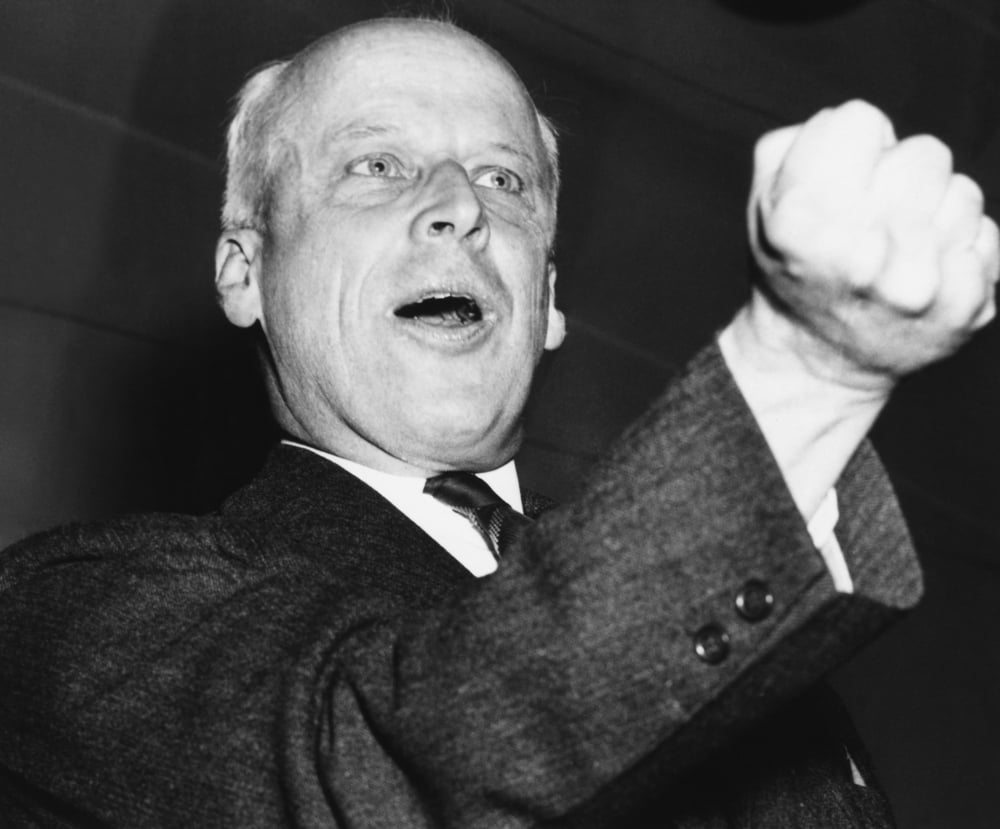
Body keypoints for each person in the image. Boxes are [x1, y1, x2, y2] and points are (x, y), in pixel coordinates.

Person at [0, 15, 995, 828]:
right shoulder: (69, 616)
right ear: (245, 270)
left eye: (502, 178)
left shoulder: (756, 639)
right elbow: (411, 754)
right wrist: (808, 367)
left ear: (549, 295)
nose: (457, 208)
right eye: (376, 165)